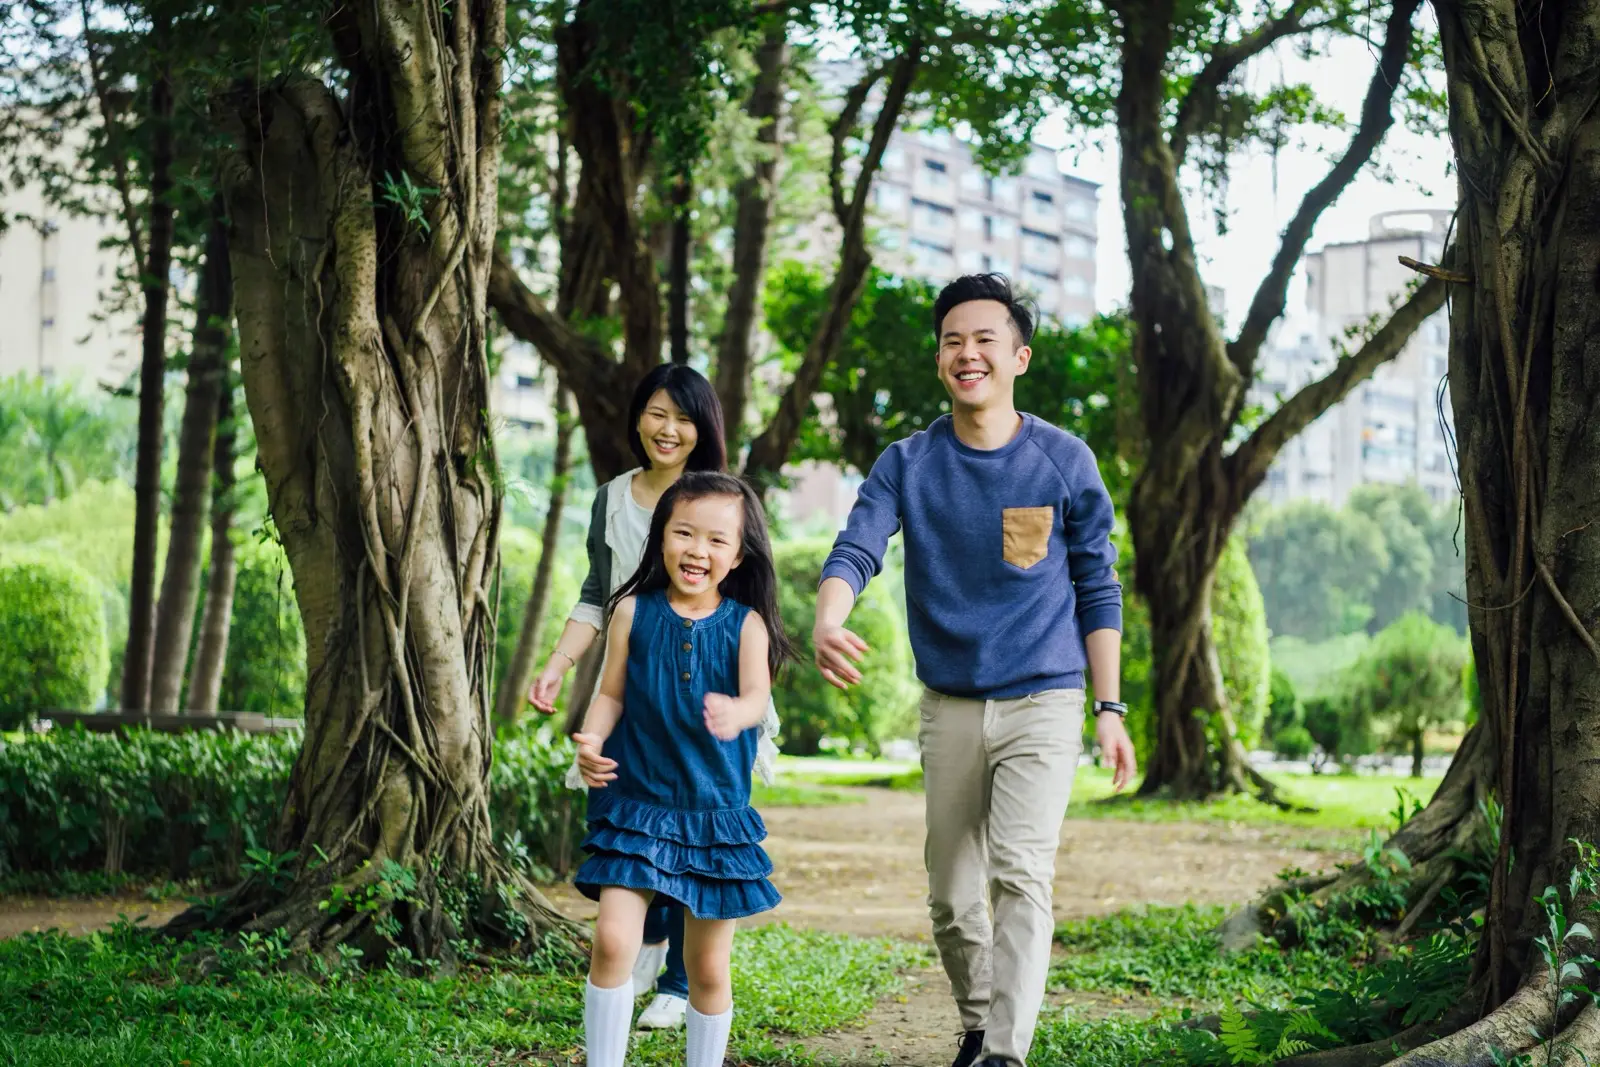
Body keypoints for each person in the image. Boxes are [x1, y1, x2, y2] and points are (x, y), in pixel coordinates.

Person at [810, 274, 1138, 1067]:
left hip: (1045, 698)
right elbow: (859, 544)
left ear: (1018, 356)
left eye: (985, 339)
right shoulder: (909, 461)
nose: (969, 353)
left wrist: (1110, 705)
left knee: (1022, 872)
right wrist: (828, 614)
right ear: (940, 360)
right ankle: (978, 1022)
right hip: (950, 702)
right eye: (954, 340)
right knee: (954, 895)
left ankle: (1004, 1054)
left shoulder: (1062, 460)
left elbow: (1098, 584)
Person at [528, 363, 781, 1030]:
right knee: (631, 844)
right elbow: (596, 591)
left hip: (713, 703)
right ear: (638, 417)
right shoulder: (614, 503)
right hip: (639, 687)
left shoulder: (730, 507)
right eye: (657, 412)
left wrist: (741, 710)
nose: (668, 428)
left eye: (684, 416)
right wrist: (559, 668)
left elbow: (754, 664)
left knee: (700, 868)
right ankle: (636, 955)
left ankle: (674, 978)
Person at [574, 470, 793, 1067]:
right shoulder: (631, 613)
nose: (698, 550)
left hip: (712, 816)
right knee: (614, 940)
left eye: (717, 540)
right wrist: (591, 737)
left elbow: (757, 697)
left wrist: (737, 712)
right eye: (683, 533)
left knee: (706, 967)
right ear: (661, 538)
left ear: (739, 553)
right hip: (637, 806)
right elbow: (611, 693)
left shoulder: (747, 625)